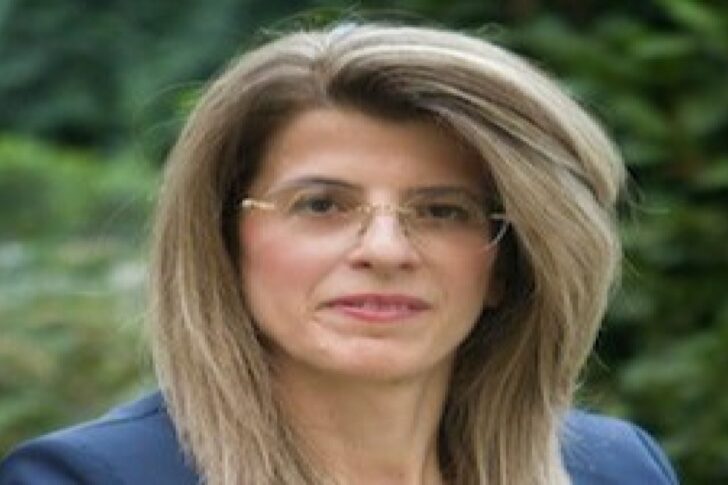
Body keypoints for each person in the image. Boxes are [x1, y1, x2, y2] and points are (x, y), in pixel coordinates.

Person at [0, 22, 679, 485]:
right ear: (225, 242)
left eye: (443, 211)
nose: (385, 250)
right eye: (322, 204)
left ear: (508, 263)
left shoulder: (618, 470)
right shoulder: (88, 478)